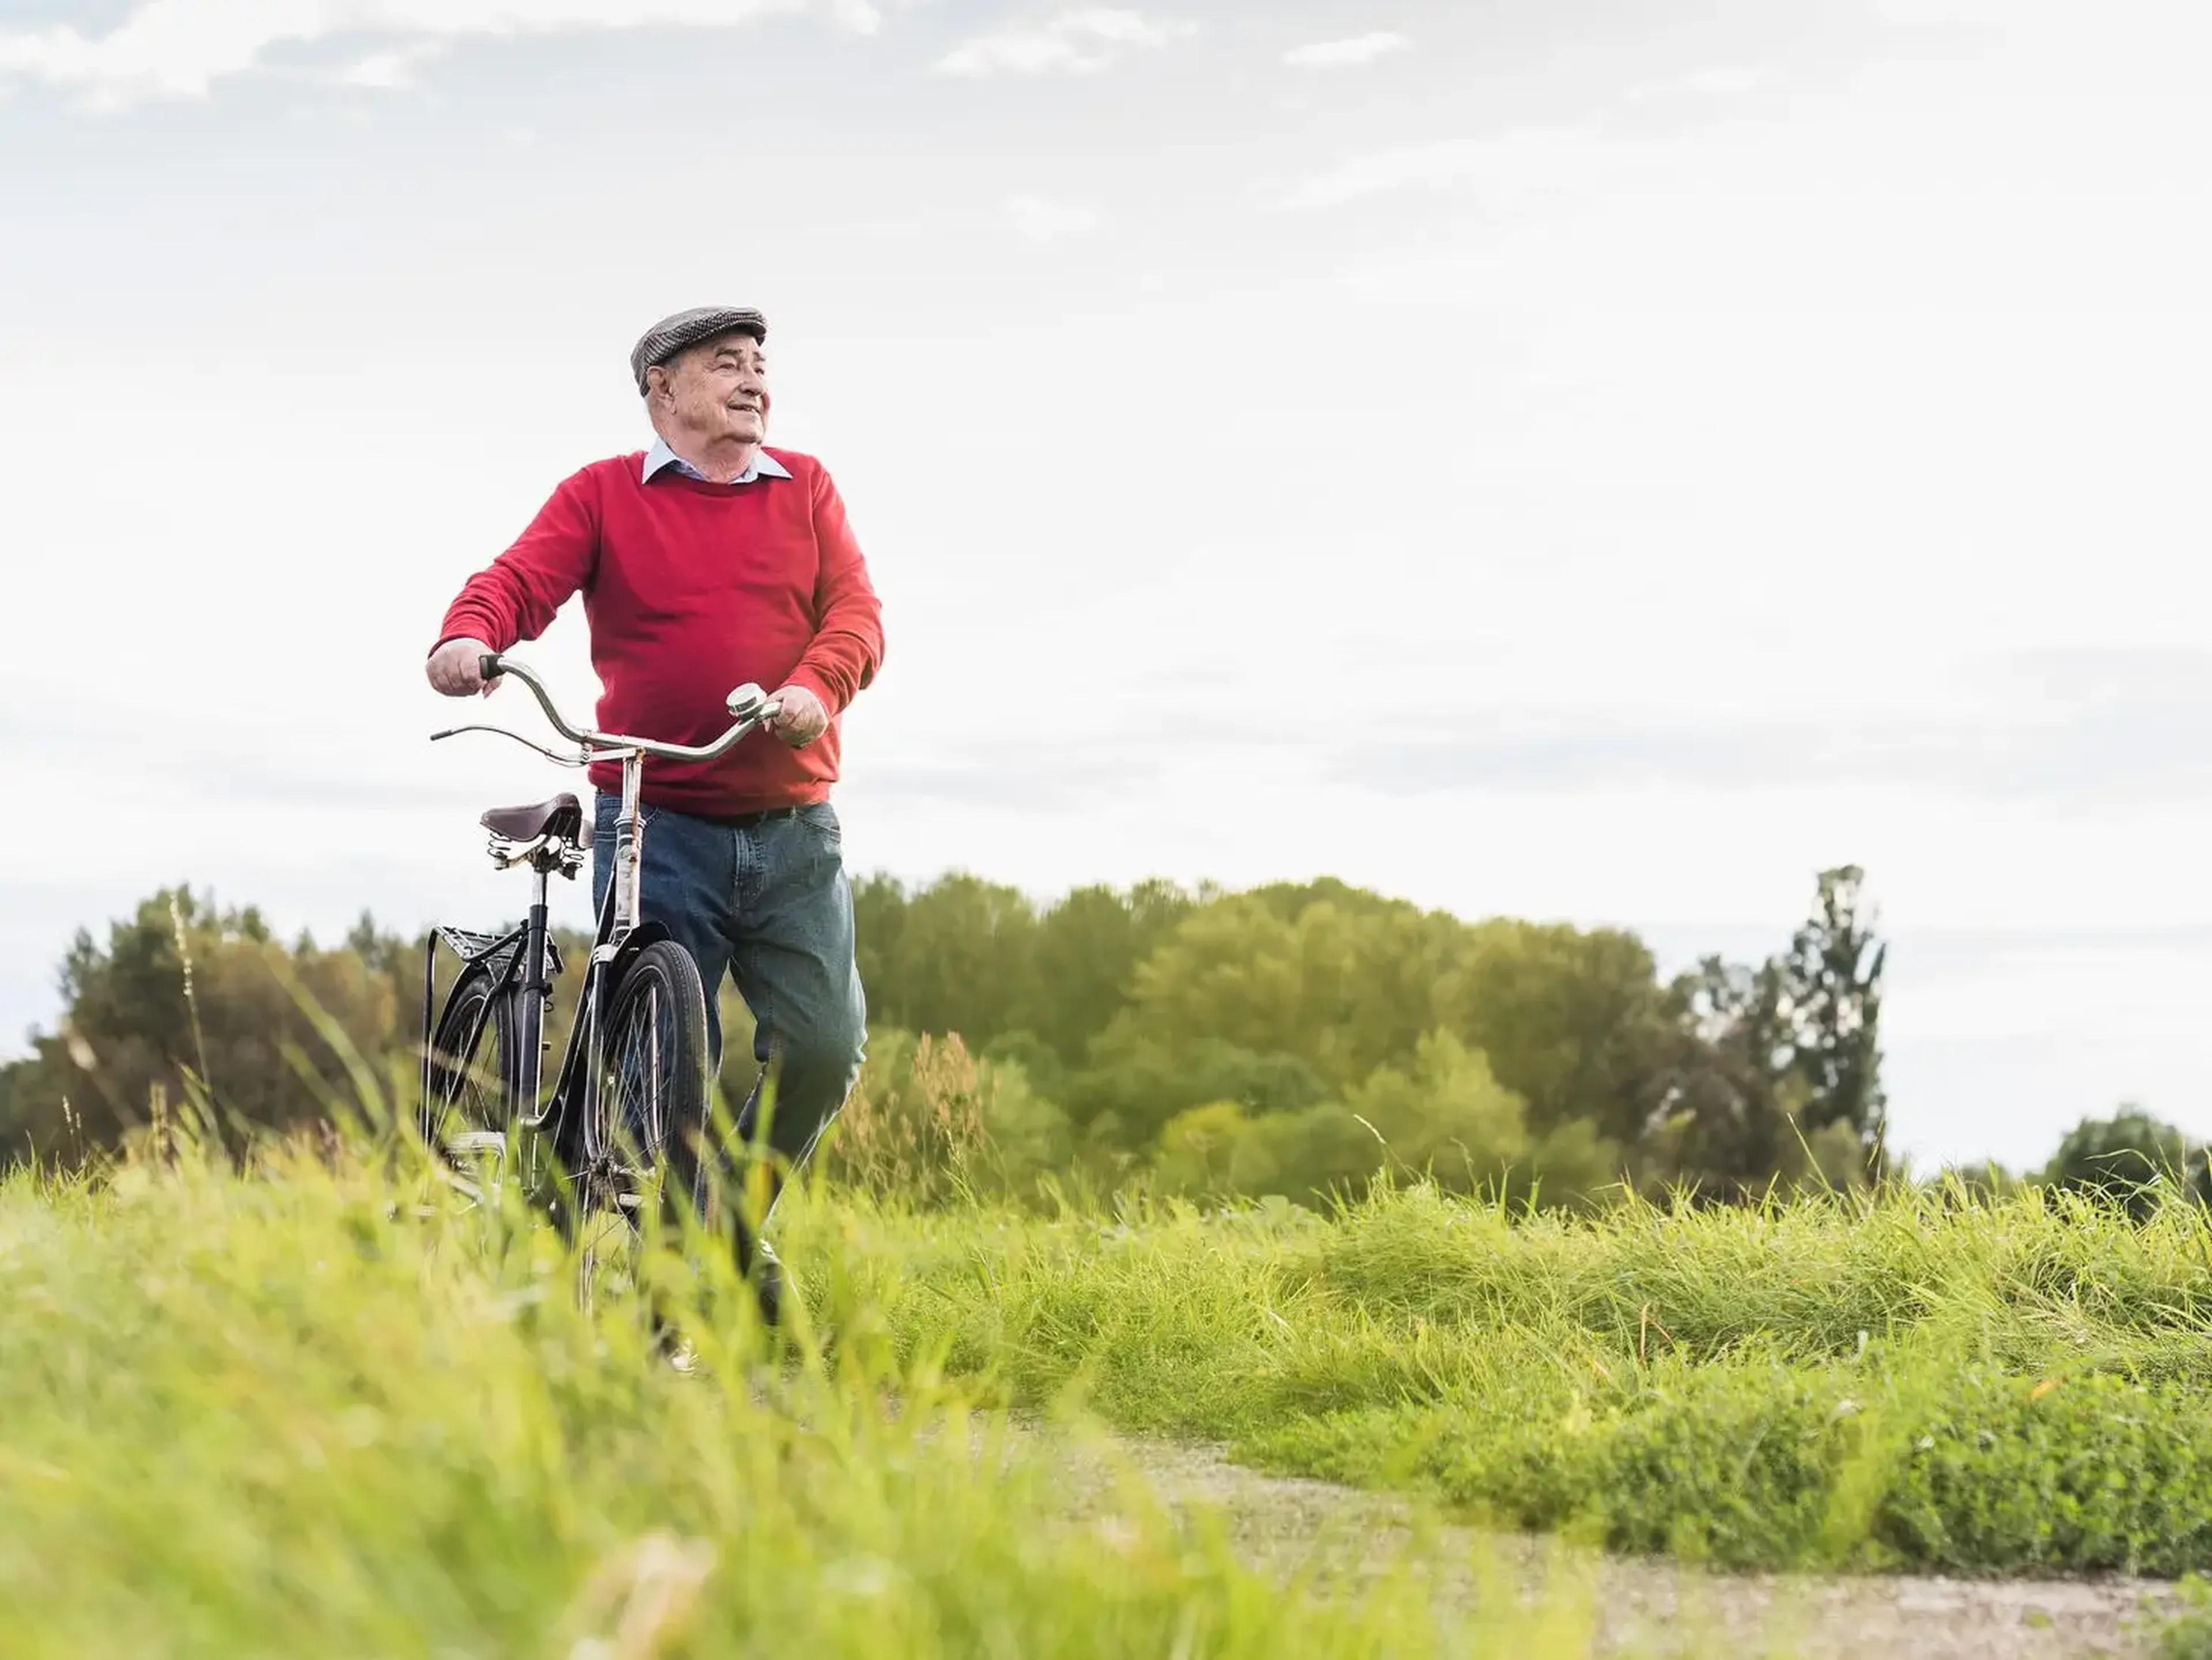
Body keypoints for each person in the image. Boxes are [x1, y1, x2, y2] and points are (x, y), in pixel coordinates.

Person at [425, 305, 884, 1322]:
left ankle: (724, 1227)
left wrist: (818, 682)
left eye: (761, 365)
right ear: (663, 388)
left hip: (794, 827)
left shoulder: (806, 489)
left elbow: (855, 613)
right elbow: (518, 581)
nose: (754, 380)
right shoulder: (602, 495)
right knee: (664, 1065)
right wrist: (470, 636)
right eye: (728, 365)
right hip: (658, 823)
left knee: (823, 1046)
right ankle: (672, 1276)